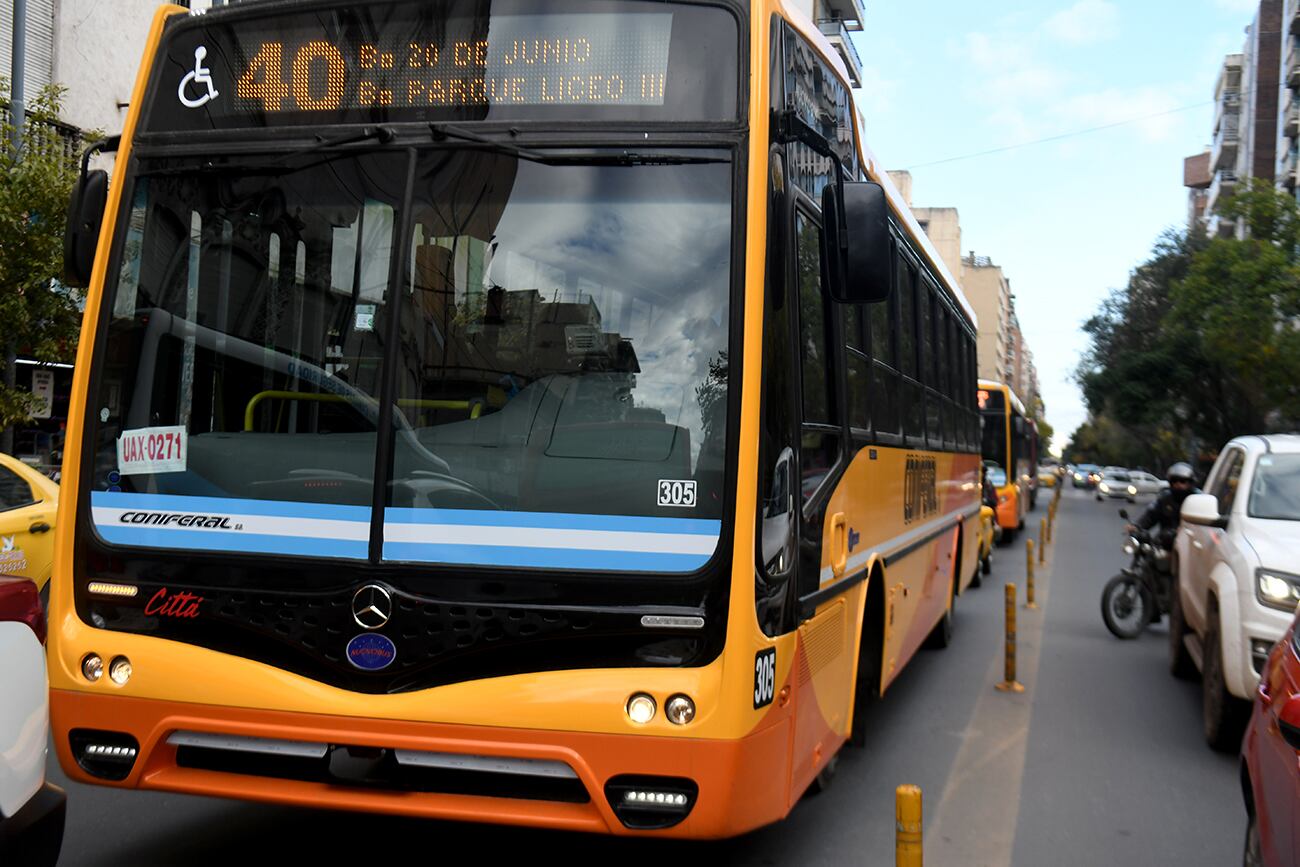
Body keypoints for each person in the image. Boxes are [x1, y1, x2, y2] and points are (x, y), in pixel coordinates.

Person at [1127, 461, 1199, 549]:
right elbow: (1150, 515)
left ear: (1190, 482)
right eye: (1174, 481)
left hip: (1191, 547)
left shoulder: (1198, 500)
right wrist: (1137, 526)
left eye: (1182, 481)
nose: (1178, 484)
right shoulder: (1165, 499)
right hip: (1165, 543)